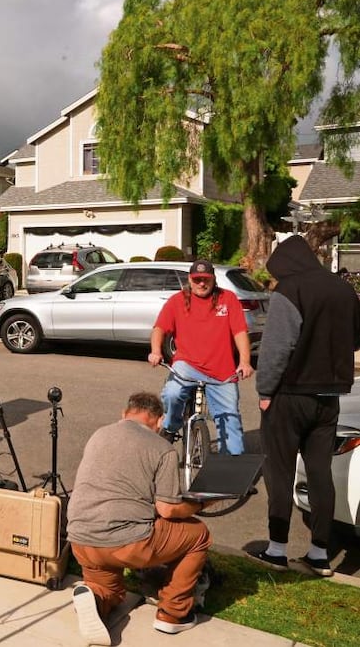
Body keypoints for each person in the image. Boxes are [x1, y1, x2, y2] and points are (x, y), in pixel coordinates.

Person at [249, 236, 360, 577]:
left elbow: (276, 348)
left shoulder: (289, 291)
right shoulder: (345, 291)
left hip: (289, 395)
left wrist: (265, 390)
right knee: (320, 472)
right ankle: (319, 554)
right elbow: (355, 338)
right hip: (329, 398)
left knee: (279, 471)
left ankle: (277, 550)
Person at [68, 392, 212, 643]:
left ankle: (93, 596)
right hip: (125, 543)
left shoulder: (99, 434)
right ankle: (173, 614)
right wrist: (201, 504)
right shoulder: (163, 449)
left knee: (110, 590)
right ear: (160, 420)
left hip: (81, 539)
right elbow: (168, 509)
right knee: (198, 534)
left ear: (125, 414)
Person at [148, 259, 253, 455]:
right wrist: (156, 351)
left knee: (230, 419)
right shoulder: (177, 300)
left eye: (206, 279)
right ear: (190, 279)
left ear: (213, 279)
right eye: (197, 280)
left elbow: (240, 332)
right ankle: (171, 427)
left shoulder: (228, 299)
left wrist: (245, 362)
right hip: (186, 365)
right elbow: (159, 328)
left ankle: (233, 470)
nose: (201, 284)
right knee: (172, 393)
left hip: (222, 371)